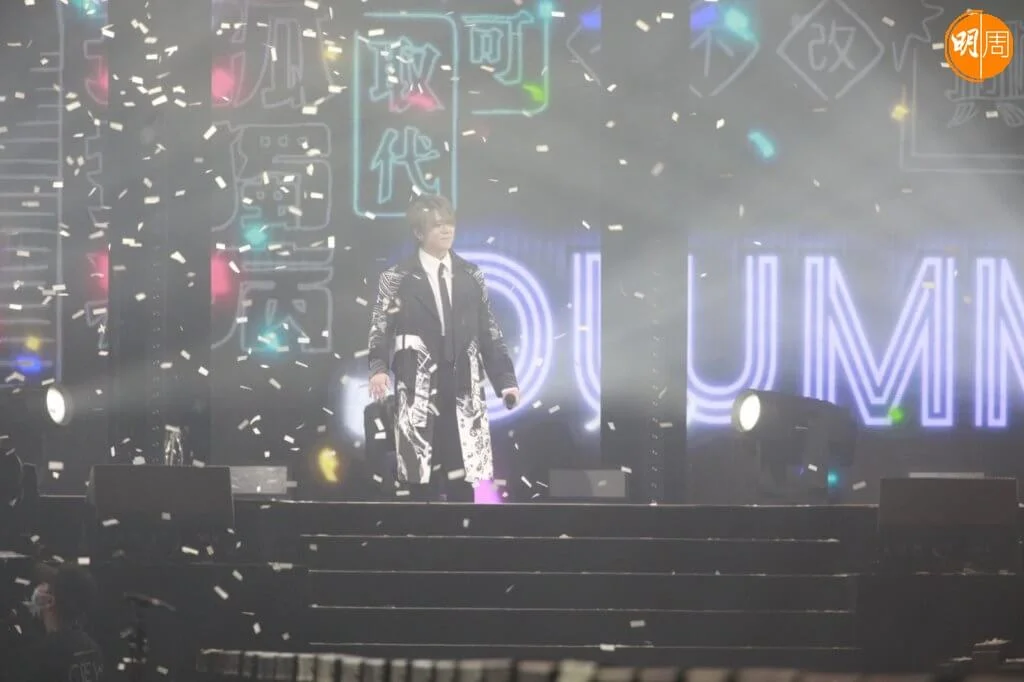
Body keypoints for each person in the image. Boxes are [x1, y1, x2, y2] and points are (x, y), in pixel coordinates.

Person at [368, 195, 520, 501]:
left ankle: (463, 532)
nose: (446, 230)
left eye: (449, 223)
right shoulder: (396, 278)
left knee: (462, 481)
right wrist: (378, 368)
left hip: (462, 387)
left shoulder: (471, 275)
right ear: (418, 232)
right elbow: (380, 327)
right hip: (418, 388)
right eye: (437, 225)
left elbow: (489, 332)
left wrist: (506, 381)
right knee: (418, 483)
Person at [22, 564, 104, 682]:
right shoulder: (93, 648)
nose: (39, 588)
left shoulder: (42, 655)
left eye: (46, 586)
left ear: (50, 601)